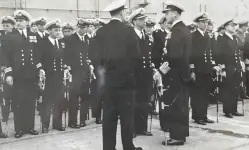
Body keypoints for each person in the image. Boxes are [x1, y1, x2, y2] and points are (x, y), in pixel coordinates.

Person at [94, 0, 142, 149]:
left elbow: (95, 57)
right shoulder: (128, 31)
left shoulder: (100, 32)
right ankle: (128, 147)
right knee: (127, 118)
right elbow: (137, 58)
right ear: (122, 12)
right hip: (126, 83)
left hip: (108, 82)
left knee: (108, 117)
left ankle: (108, 147)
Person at [1, 10, 42, 138]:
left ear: (27, 22)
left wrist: (39, 68)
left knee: (30, 101)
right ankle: (19, 129)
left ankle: (29, 127)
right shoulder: (9, 36)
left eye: (21, 21)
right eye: (17, 21)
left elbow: (37, 54)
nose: (19, 23)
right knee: (18, 102)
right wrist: (8, 74)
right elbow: (5, 56)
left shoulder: (33, 35)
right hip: (17, 75)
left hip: (31, 75)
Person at [161, 2, 194, 145]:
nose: (166, 16)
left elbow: (174, 56)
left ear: (174, 13)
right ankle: (180, 134)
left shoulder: (177, 31)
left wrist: (162, 70)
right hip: (182, 74)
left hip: (176, 74)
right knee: (181, 105)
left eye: (167, 13)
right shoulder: (183, 29)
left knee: (177, 106)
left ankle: (177, 136)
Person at [39, 19, 69, 133]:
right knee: (47, 102)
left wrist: (66, 68)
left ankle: (57, 123)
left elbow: (63, 58)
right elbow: (39, 59)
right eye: (56, 30)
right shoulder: (43, 43)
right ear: (49, 31)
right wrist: (40, 70)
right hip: (48, 78)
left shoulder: (60, 43)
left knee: (59, 101)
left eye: (59, 30)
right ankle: (45, 125)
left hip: (59, 77)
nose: (58, 32)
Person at [64, 18, 93, 128]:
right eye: (80, 27)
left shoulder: (87, 39)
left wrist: (90, 64)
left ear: (87, 28)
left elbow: (88, 54)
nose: (82, 29)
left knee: (85, 96)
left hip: (85, 72)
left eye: (84, 27)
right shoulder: (70, 39)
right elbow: (65, 55)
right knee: (74, 98)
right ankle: (72, 121)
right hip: (74, 72)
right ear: (77, 28)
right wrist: (67, 68)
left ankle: (82, 120)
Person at [129, 8, 153, 137]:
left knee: (144, 102)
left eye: (144, 19)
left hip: (145, 75)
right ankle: (132, 129)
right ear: (134, 21)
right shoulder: (130, 36)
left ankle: (142, 127)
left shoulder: (146, 36)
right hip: (134, 75)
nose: (144, 22)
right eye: (141, 19)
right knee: (133, 103)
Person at [190, 12, 215, 125]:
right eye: (202, 22)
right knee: (197, 94)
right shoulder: (193, 36)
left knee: (205, 93)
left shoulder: (206, 35)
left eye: (206, 22)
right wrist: (192, 70)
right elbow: (191, 54)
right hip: (198, 69)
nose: (205, 24)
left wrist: (212, 65)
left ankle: (204, 115)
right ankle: (197, 116)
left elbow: (209, 53)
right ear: (197, 23)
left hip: (206, 69)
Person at [216, 19, 244, 118]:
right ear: (226, 27)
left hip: (236, 67)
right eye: (232, 26)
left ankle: (234, 109)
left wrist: (240, 65)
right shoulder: (222, 39)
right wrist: (222, 69)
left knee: (235, 88)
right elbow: (219, 55)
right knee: (227, 89)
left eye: (234, 26)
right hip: (227, 67)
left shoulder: (234, 38)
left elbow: (237, 53)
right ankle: (227, 110)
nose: (234, 27)